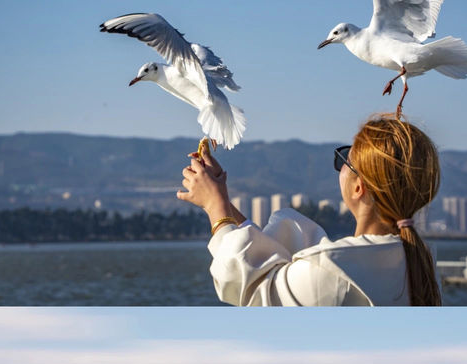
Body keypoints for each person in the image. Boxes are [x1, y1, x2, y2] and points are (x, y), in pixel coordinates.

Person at [177, 114, 441, 306]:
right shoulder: (417, 263)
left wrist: (215, 208)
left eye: (344, 160)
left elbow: (253, 291)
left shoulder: (332, 272)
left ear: (358, 187)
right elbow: (279, 262)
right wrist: (219, 198)